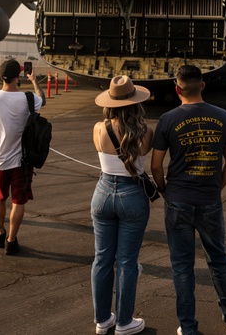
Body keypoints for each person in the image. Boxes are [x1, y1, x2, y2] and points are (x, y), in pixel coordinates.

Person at [151, 64, 226, 335]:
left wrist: (165, 190)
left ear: (177, 89)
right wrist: (217, 187)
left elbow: (156, 165)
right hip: (210, 199)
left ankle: (188, 326)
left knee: (182, 266)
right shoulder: (223, 116)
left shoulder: (167, 119)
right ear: (203, 85)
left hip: (178, 199)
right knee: (218, 260)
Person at [91, 76, 153, 335]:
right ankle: (125, 322)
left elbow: (100, 150)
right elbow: (146, 155)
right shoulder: (146, 131)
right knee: (127, 261)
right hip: (132, 195)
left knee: (102, 259)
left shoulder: (98, 128)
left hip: (103, 193)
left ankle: (103, 320)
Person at [0, 58, 45, 256]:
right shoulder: (28, 99)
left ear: (1, 77)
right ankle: (11, 241)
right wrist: (34, 81)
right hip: (22, 160)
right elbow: (42, 99)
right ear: (18, 77)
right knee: (18, 202)